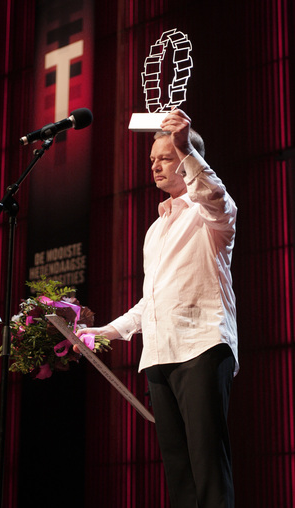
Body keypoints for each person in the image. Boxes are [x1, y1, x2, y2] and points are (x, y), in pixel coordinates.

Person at [75, 109, 238, 508]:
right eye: (153, 160)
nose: (155, 166)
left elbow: (214, 194)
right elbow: (152, 302)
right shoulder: (155, 228)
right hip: (159, 356)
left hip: (200, 347)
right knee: (178, 475)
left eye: (165, 158)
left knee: (208, 470)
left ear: (185, 160)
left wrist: (184, 146)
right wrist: (104, 333)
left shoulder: (211, 213)